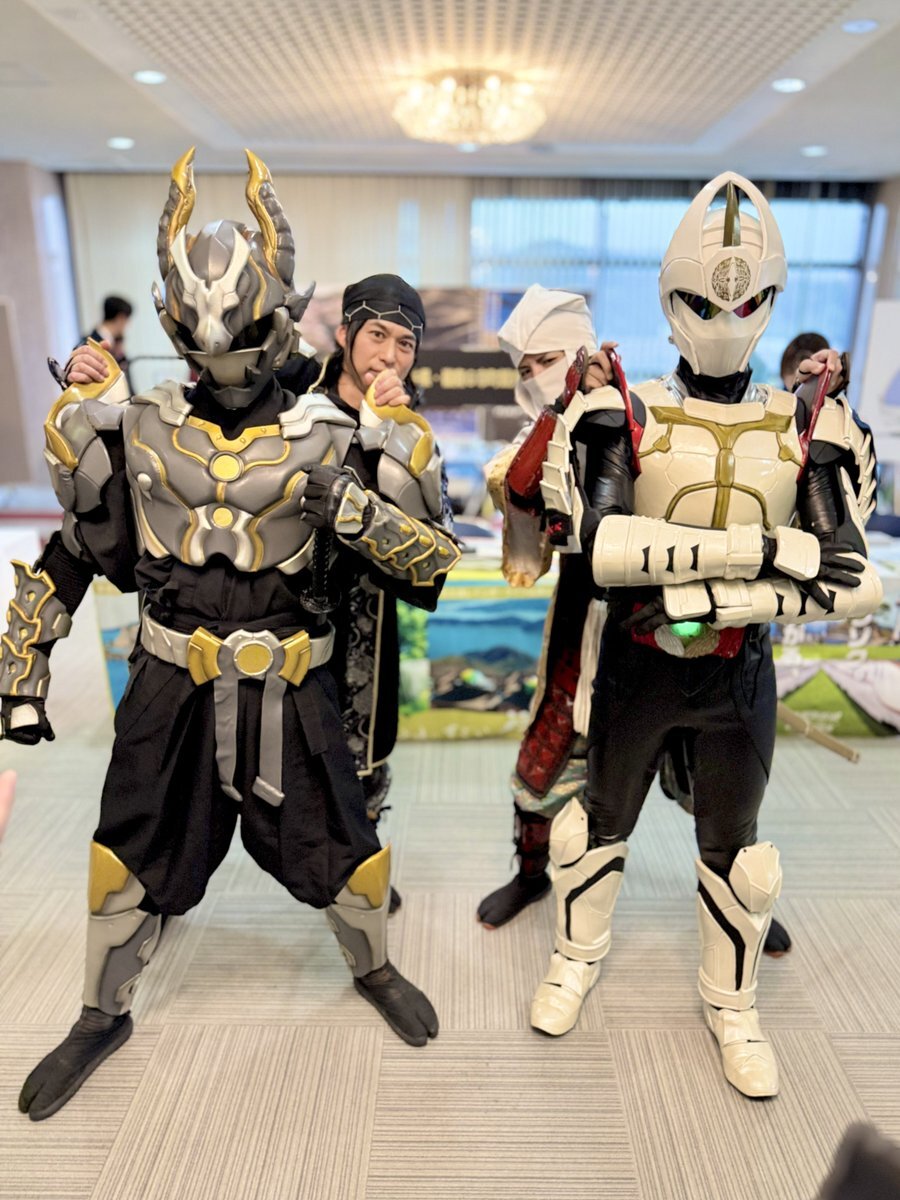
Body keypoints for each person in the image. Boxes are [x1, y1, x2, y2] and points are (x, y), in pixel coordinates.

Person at [0, 149, 460, 1121]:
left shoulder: (340, 435)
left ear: (280, 320)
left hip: (293, 688)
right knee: (128, 850)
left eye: (244, 337)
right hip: (170, 686)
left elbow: (429, 566)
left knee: (346, 850)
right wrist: (22, 660)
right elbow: (79, 549)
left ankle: (372, 969)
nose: (224, 359)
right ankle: (100, 1012)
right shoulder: (136, 427)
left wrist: (357, 510)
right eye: (203, 340)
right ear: (176, 327)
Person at [530, 172, 882, 1099]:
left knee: (738, 852)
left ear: (770, 300)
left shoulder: (804, 424)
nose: (723, 317)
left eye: (744, 300)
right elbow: (603, 548)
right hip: (638, 663)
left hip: (737, 672)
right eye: (702, 299)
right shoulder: (624, 410)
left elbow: (855, 579)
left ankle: (734, 1008)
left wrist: (728, 601)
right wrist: (764, 552)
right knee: (596, 826)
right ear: (669, 297)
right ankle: (574, 959)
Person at [67, 273, 444, 915]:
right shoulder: (291, 383)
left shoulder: (404, 415)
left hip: (361, 619)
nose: (388, 355)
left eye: (405, 343)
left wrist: (371, 490)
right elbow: (192, 444)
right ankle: (164, 883)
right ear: (346, 332)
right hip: (258, 617)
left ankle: (352, 865)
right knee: (180, 786)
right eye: (377, 335)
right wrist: (100, 400)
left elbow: (432, 552)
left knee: (354, 767)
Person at [476, 286, 789, 957]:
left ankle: (737, 892)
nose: (534, 375)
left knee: (718, 771)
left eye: (547, 360)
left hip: (663, 615)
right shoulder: (550, 428)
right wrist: (565, 408)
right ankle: (531, 874)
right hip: (582, 620)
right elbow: (525, 495)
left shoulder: (642, 412)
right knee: (546, 761)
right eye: (525, 367)